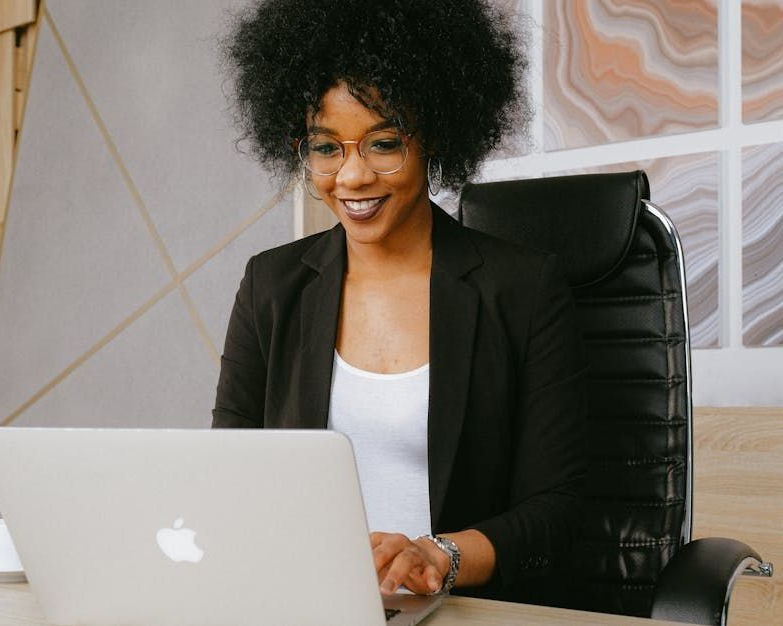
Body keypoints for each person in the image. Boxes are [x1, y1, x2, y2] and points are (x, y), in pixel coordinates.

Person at [212, 0, 588, 607]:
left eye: (383, 144)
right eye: (326, 148)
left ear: (434, 135)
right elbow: (230, 471)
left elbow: (559, 509)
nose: (351, 177)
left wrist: (440, 555)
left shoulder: (523, 289)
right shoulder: (272, 285)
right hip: (307, 603)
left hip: (461, 608)